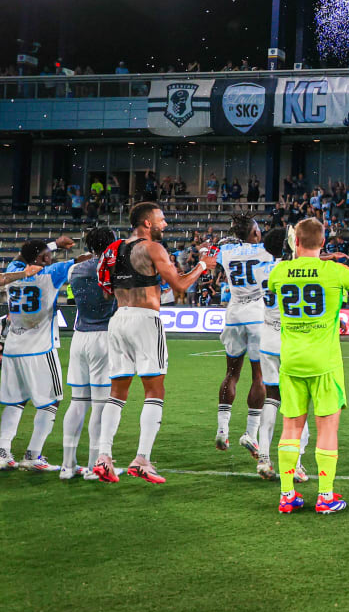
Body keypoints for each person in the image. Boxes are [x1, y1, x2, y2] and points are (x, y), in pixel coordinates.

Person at [94, 203, 215, 484]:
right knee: (154, 390)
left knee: (117, 392)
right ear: (147, 223)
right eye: (161, 220)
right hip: (145, 320)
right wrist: (202, 266)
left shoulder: (116, 248)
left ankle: (104, 456)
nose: (165, 225)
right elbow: (181, 286)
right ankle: (142, 459)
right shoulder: (153, 248)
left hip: (119, 318)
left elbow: (107, 287)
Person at [269, 218, 349, 514]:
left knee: (291, 428)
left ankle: (287, 495)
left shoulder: (279, 272)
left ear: (296, 241)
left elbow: (293, 271)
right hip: (324, 361)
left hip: (291, 360)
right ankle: (325, 496)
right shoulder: (335, 271)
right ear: (323, 241)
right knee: (327, 429)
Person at [0, 242, 76, 471]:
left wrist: (52, 244)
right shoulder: (51, 274)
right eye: (48, 254)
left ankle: (2, 452)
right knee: (51, 401)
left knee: (15, 401)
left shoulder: (14, 271)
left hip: (13, 347)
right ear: (41, 258)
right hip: (40, 348)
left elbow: (21, 255)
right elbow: (82, 261)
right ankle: (33, 455)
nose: (51, 258)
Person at [60, 228, 119, 479]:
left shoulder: (74, 270)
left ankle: (67, 466)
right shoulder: (112, 269)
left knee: (77, 402)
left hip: (79, 336)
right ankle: (95, 466)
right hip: (104, 337)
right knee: (100, 405)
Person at [254, 227, 309, 482]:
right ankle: (296, 463)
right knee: (298, 401)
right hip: (291, 339)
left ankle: (264, 457)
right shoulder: (293, 271)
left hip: (267, 339)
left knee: (271, 399)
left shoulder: (260, 269)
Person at [214, 213, 271, 458]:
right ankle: (251, 434)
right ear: (255, 233)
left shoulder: (226, 252)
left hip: (234, 313)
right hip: (258, 315)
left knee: (231, 373)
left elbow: (213, 258)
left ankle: (222, 429)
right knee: (259, 376)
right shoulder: (265, 252)